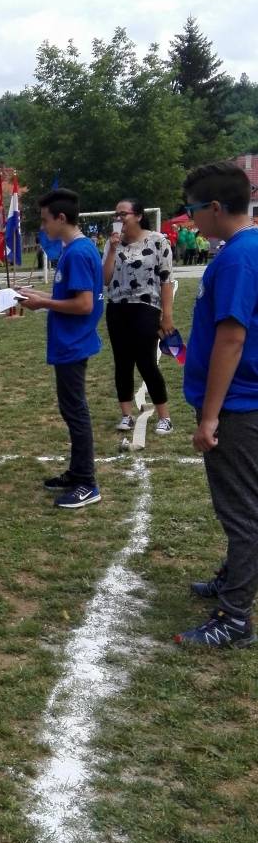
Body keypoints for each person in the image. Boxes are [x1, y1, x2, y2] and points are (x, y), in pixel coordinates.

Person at [175, 161, 258, 648]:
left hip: (238, 405)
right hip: (241, 399)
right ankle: (232, 580)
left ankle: (234, 617)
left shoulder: (238, 258)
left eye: (191, 212)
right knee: (245, 505)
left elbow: (231, 337)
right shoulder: (242, 251)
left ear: (213, 207)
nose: (189, 222)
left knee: (241, 512)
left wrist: (210, 416)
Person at [18, 187, 104, 509]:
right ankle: (77, 472)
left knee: (75, 412)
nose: (42, 228)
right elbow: (73, 296)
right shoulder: (75, 250)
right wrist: (37, 293)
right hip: (70, 342)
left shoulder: (79, 253)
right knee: (72, 410)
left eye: (45, 221)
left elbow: (82, 304)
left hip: (73, 343)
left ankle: (87, 483)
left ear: (62, 218)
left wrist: (42, 303)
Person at [103, 197, 175, 435]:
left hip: (146, 306)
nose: (119, 219)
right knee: (122, 362)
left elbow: (166, 280)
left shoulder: (158, 241)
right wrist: (112, 249)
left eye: (123, 214)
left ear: (138, 215)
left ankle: (164, 417)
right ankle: (126, 415)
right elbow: (105, 278)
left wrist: (167, 316)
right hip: (117, 307)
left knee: (146, 361)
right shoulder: (112, 243)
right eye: (116, 215)